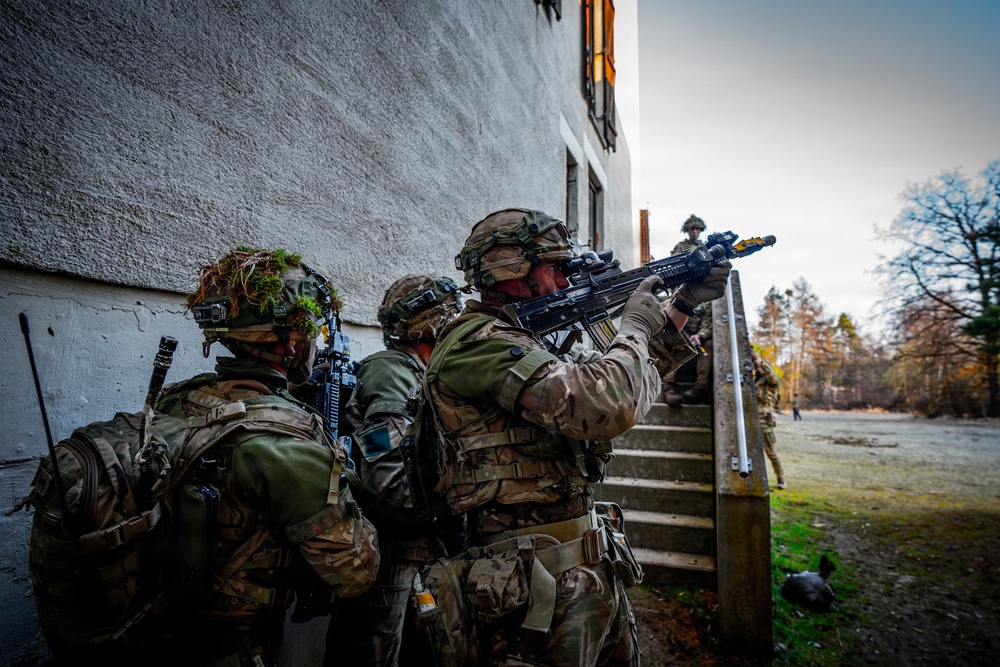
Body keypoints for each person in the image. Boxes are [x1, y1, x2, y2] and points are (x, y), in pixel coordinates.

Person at [425, 208, 730, 666]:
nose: (567, 283)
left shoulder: (523, 335)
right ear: (511, 268)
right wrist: (636, 327)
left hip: (582, 570)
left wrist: (681, 306)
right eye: (557, 268)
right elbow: (605, 405)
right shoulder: (476, 343)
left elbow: (627, 374)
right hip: (530, 588)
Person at [153, 247, 380, 667]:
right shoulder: (285, 440)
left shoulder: (177, 400)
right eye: (309, 330)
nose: (314, 341)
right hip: (232, 645)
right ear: (291, 344)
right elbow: (355, 573)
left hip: (156, 627)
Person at [324, 274, 463, 667]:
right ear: (433, 326)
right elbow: (386, 482)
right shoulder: (392, 373)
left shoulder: (422, 371)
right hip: (395, 556)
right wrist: (451, 510)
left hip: (424, 549)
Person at [660, 301, 713, 405]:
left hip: (697, 343)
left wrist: (700, 336)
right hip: (678, 340)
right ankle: (668, 387)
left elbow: (708, 325)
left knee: (709, 344)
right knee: (669, 337)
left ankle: (699, 389)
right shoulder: (670, 301)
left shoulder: (705, 304)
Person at [751, 347, 786, 490]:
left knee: (770, 452)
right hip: (753, 418)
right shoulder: (753, 380)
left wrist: (760, 362)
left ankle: (781, 478)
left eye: (760, 366)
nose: (758, 369)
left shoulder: (771, 381)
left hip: (765, 418)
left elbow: (773, 377)